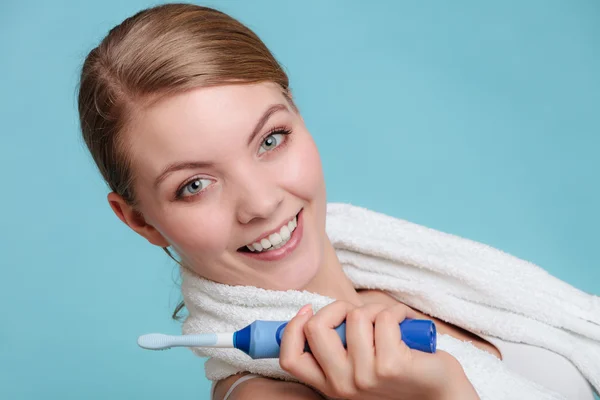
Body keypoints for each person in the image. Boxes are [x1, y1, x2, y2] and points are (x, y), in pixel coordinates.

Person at [77, 3, 595, 399]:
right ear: (139, 220)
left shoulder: (401, 267)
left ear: (298, 117)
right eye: (194, 185)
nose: (259, 202)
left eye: (270, 140)